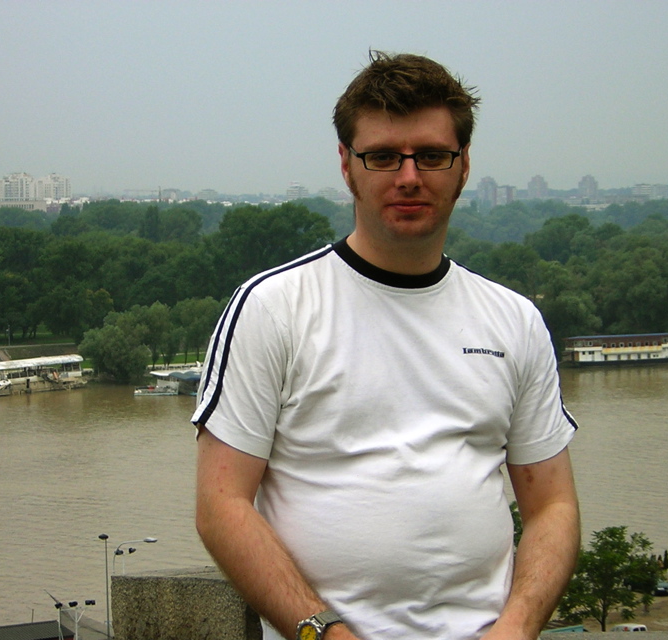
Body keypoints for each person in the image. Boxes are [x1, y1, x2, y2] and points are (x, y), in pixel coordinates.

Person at [193, 51, 580, 640]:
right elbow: (221, 507)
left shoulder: (515, 320)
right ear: (347, 166)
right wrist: (324, 633)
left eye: (430, 155)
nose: (408, 176)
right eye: (382, 157)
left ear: (464, 165)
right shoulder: (273, 308)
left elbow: (552, 505)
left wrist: (518, 627)